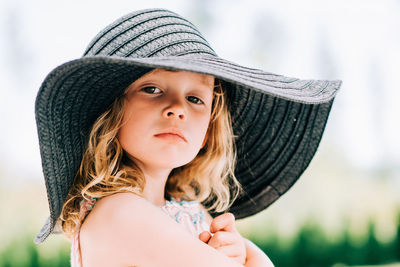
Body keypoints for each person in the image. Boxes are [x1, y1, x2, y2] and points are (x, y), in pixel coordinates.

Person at [33, 8, 342, 267]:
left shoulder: (189, 211)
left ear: (208, 131)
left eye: (195, 99)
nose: (177, 109)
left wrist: (239, 249)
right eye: (152, 89)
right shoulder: (118, 212)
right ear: (109, 115)